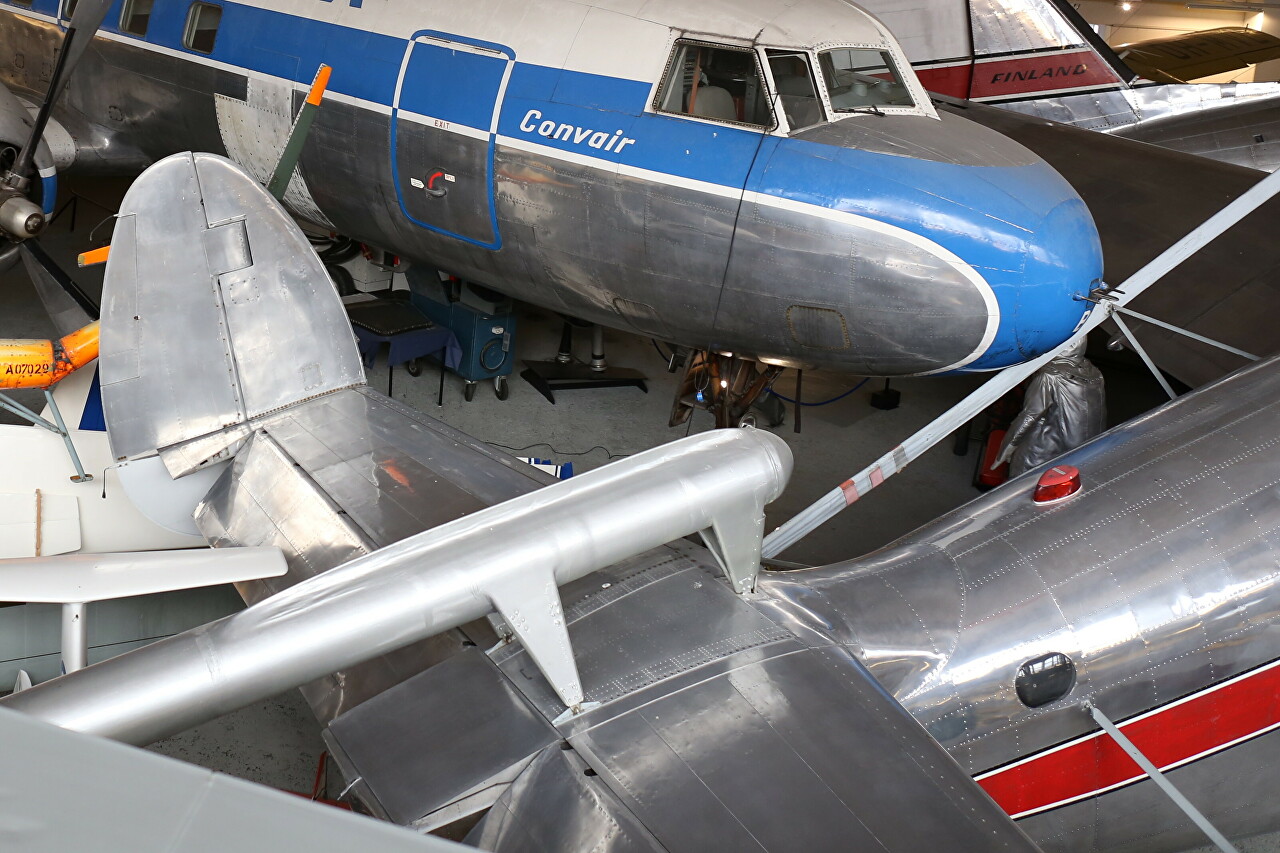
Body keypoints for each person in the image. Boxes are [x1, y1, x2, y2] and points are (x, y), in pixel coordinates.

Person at [995, 338, 1106, 477]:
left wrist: (1005, 450)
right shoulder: (1094, 374)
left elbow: (1030, 415)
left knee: (1020, 488)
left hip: (1038, 452)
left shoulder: (1050, 375)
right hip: (1075, 456)